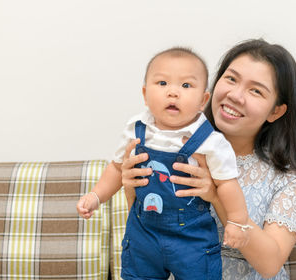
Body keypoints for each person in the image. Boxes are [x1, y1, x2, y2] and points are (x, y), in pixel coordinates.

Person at [121, 39, 296, 279]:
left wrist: (217, 196)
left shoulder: (289, 174)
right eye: (231, 79)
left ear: (275, 111)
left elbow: (270, 265)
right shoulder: (166, 142)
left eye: (256, 90)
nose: (235, 95)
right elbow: (150, 227)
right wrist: (130, 185)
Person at [77, 47, 251, 279]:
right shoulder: (136, 128)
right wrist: (96, 196)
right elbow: (117, 167)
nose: (173, 93)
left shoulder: (210, 141)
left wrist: (237, 222)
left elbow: (227, 184)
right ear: (145, 94)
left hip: (191, 237)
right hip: (143, 233)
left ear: (203, 100)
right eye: (162, 83)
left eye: (186, 85)